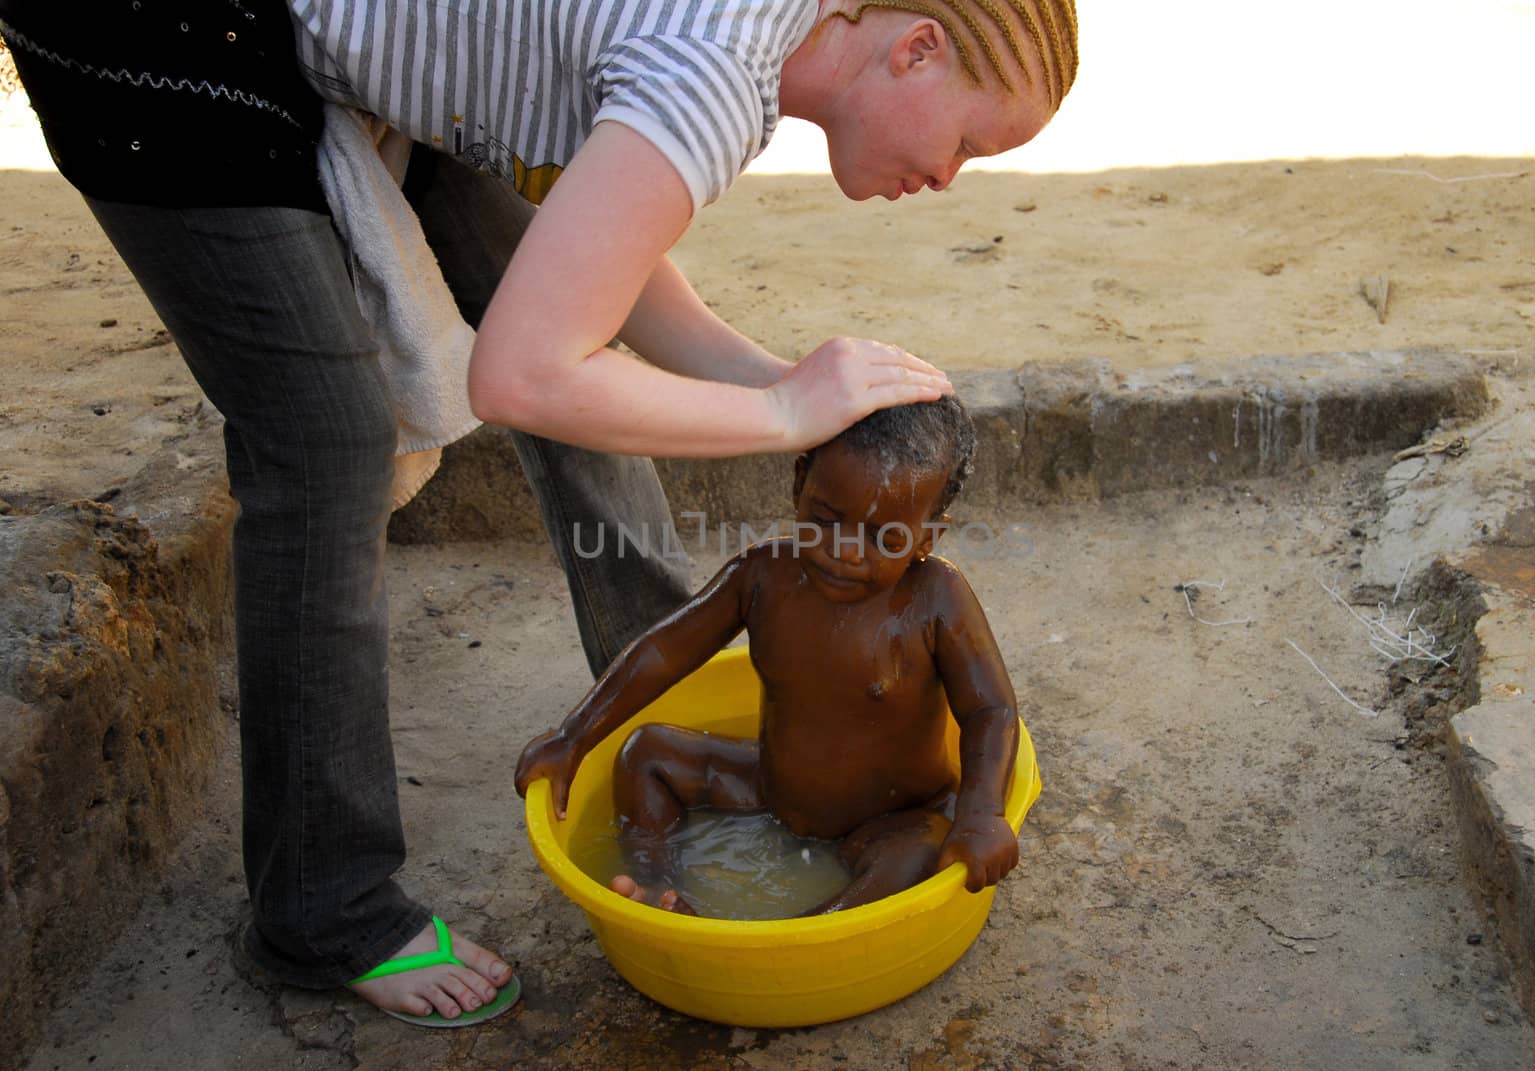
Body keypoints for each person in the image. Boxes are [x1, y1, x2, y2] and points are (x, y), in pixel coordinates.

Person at [0, 0, 1075, 1028]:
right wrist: (779, 407)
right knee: (326, 444)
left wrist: (786, 394)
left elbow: (593, 277)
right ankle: (319, 913)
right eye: (970, 145)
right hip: (174, 32)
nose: (945, 180)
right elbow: (518, 376)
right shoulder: (712, 70)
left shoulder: (736, 46)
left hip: (359, 45)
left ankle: (676, 699)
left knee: (577, 338)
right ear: (917, 50)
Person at [514, 397, 1022, 916]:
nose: (845, 550)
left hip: (894, 819)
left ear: (926, 537)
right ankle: (653, 886)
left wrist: (981, 813)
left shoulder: (936, 596)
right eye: (826, 519)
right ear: (800, 484)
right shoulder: (761, 576)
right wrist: (574, 736)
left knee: (920, 855)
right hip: (771, 790)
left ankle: (804, 930)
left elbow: (991, 710)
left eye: (883, 538)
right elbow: (664, 649)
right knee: (646, 753)